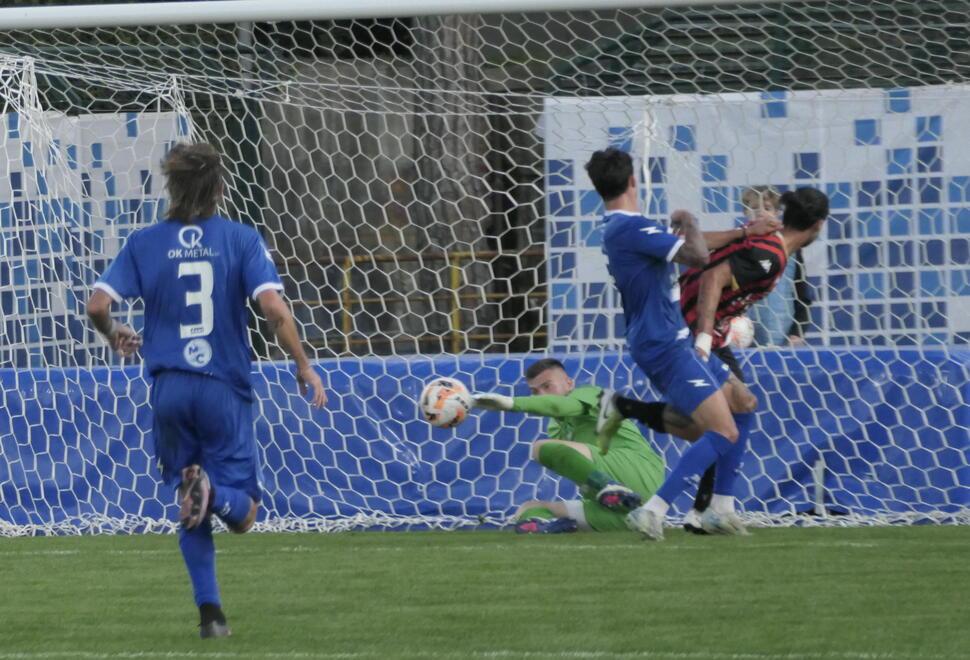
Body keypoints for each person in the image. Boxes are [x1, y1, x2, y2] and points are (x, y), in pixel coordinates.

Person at [86, 142, 327, 638]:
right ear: (220, 188)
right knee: (244, 516)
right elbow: (276, 312)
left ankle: (211, 617)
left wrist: (115, 334)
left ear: (171, 188)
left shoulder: (145, 242)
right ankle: (214, 494)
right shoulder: (240, 239)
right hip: (222, 387)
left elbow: (95, 306)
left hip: (170, 389)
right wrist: (304, 366)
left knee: (187, 500)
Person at [586, 147, 762, 541]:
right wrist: (690, 221)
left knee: (744, 404)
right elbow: (698, 254)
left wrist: (743, 233)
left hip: (671, 340)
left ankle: (721, 508)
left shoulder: (627, 227)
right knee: (723, 432)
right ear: (633, 181)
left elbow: (690, 246)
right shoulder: (629, 229)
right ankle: (654, 510)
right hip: (661, 344)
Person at [678, 186, 830, 532]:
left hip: (707, 333)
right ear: (819, 225)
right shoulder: (771, 253)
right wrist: (703, 336)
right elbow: (714, 278)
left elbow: (708, 257)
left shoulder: (772, 246)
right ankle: (681, 509)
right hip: (693, 333)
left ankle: (710, 509)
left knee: (737, 409)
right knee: (722, 418)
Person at [472, 358, 666, 533]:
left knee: (541, 447)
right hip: (630, 511)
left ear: (569, 384)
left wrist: (510, 403)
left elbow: (560, 406)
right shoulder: (556, 428)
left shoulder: (591, 394)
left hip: (640, 473)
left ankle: (610, 489)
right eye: (534, 391)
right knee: (528, 508)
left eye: (547, 386)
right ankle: (549, 526)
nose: (540, 395)